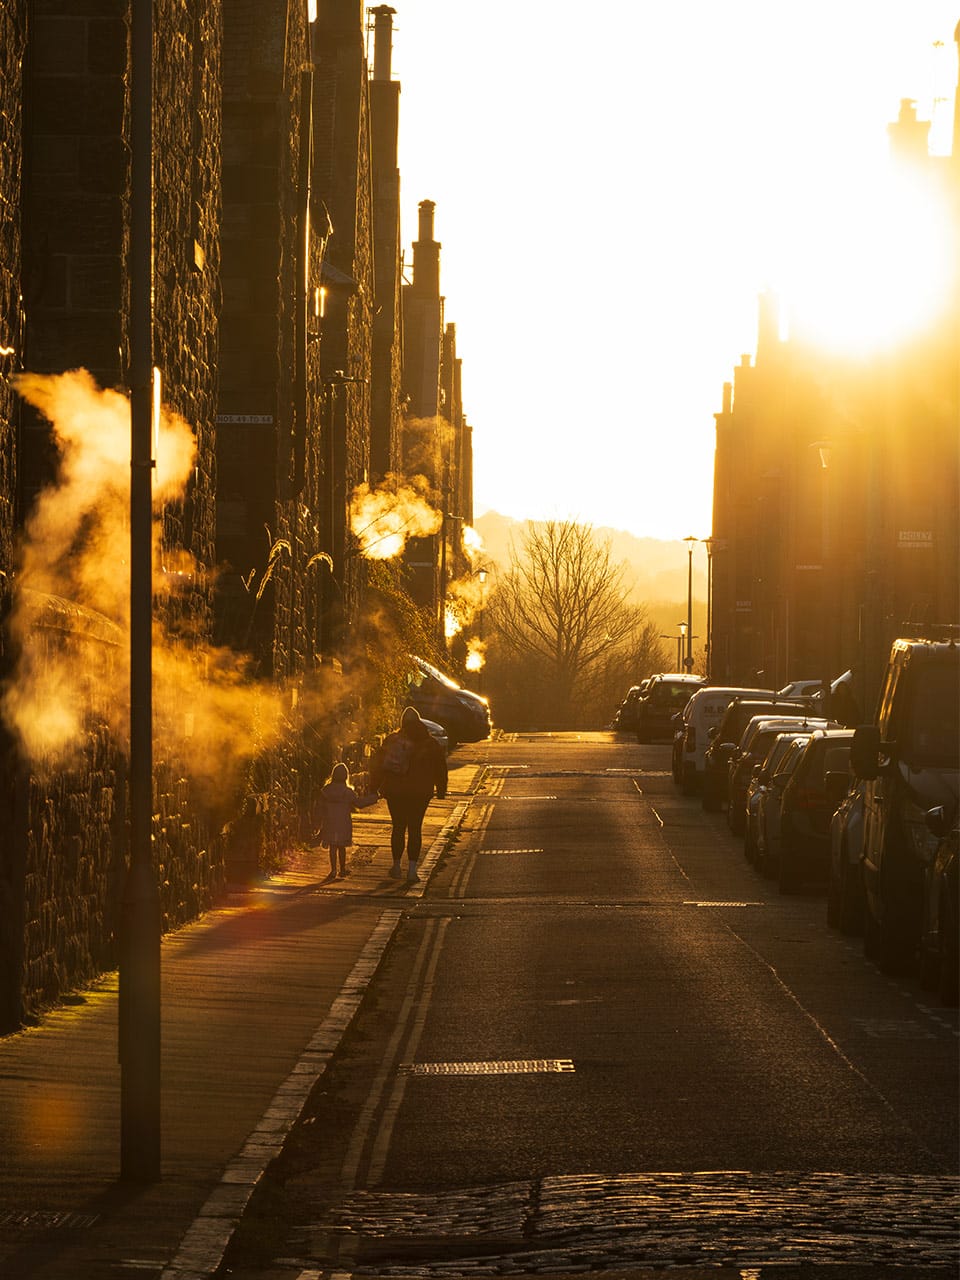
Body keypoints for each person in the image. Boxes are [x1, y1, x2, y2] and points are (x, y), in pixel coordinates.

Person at [370, 706, 448, 884]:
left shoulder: (392, 740)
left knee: (398, 827)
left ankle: (396, 866)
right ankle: (412, 870)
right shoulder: (430, 744)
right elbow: (440, 768)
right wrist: (441, 790)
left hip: (396, 791)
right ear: (419, 722)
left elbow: (379, 765)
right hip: (421, 792)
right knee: (415, 828)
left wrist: (373, 787)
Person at [317, 762, 375, 879]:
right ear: (345, 776)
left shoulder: (326, 791)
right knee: (341, 847)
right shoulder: (348, 792)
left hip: (330, 822)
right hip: (343, 823)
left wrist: (320, 822)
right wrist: (374, 797)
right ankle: (342, 869)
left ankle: (333, 870)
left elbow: (320, 808)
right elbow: (359, 803)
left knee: (333, 847)